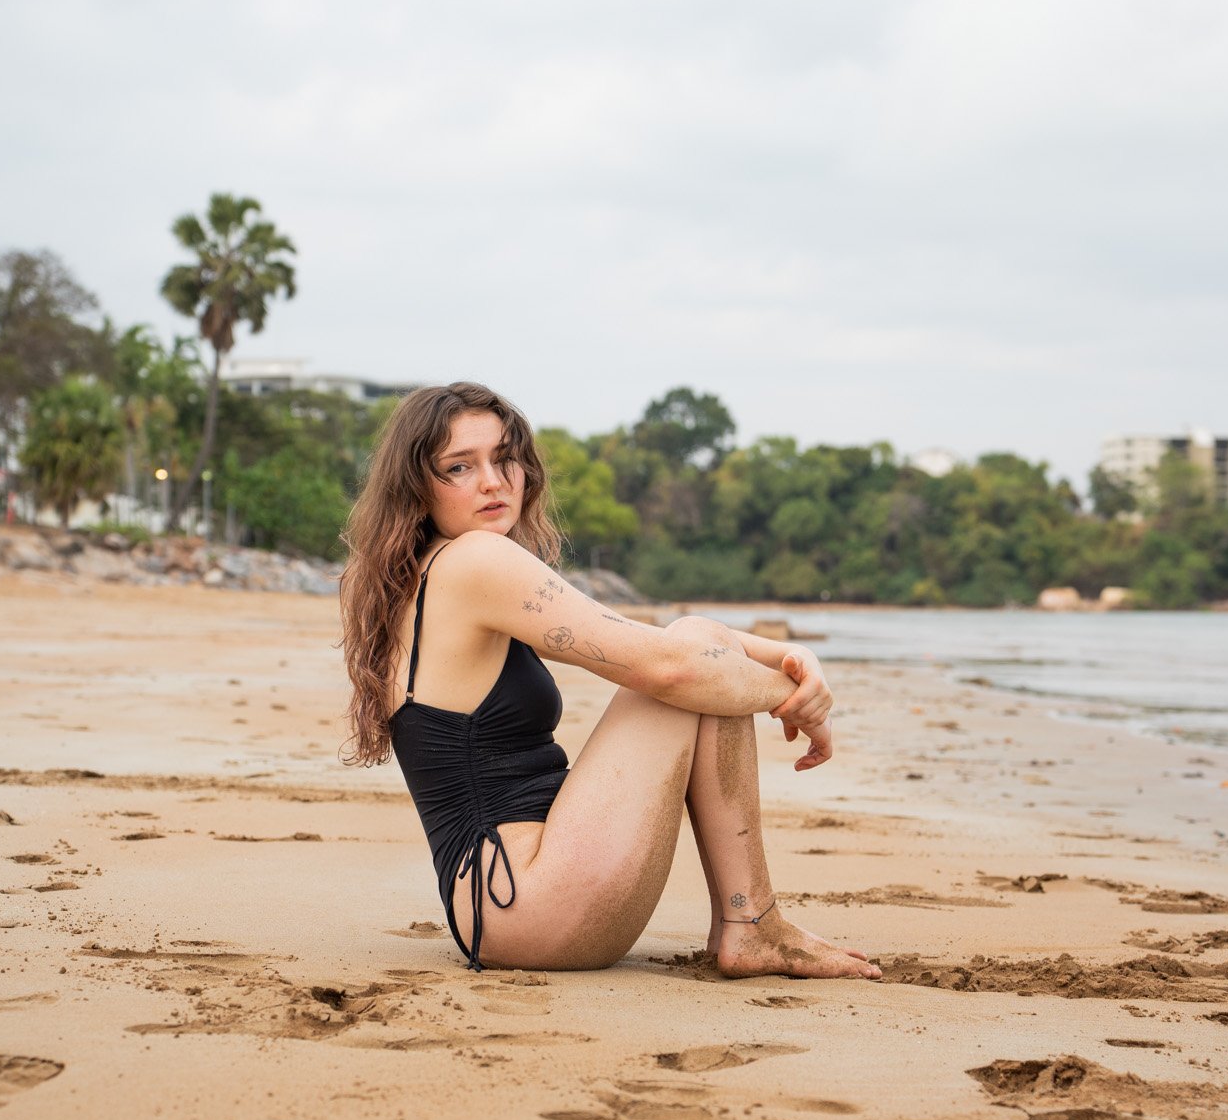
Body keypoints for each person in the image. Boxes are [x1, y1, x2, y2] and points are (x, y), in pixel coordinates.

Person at [340, 381, 881, 982]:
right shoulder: (474, 561)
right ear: (417, 487)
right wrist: (795, 700)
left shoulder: (427, 572)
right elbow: (669, 666)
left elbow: (639, 636)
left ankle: (751, 924)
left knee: (700, 647)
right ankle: (752, 924)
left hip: (503, 906)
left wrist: (788, 655)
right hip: (527, 902)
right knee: (693, 668)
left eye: (505, 457)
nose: (493, 481)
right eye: (459, 467)